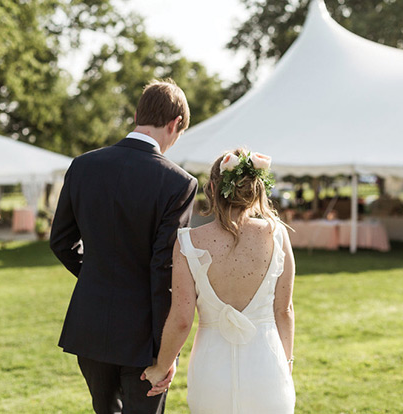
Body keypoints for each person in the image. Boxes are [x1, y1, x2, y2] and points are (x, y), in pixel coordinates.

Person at [50, 79, 198, 414]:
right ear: (175, 124)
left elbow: (60, 241)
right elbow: (164, 268)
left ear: (136, 115)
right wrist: (167, 353)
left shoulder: (82, 166)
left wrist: (96, 276)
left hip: (89, 325)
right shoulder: (179, 183)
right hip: (143, 333)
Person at [143, 149, 296, 413]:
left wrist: (161, 367)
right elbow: (284, 311)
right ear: (255, 189)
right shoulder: (277, 235)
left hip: (211, 372)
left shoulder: (187, 242)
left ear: (212, 188)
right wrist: (286, 362)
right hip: (267, 366)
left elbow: (181, 319)